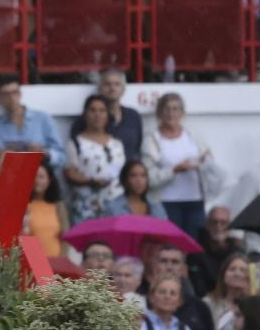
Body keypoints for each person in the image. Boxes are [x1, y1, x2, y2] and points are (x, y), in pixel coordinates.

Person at [142, 92, 218, 238]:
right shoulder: (152, 138)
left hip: (195, 200)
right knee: (170, 244)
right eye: (167, 109)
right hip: (166, 202)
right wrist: (174, 170)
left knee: (195, 245)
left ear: (183, 113)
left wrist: (205, 161)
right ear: (159, 112)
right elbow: (149, 177)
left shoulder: (192, 134)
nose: (171, 113)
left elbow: (209, 160)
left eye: (176, 109)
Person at [65, 94, 129, 223]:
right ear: (85, 114)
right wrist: (91, 181)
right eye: (93, 110)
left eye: (102, 110)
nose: (97, 115)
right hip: (87, 206)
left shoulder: (117, 143)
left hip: (116, 203)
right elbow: (70, 173)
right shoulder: (75, 143)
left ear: (107, 115)